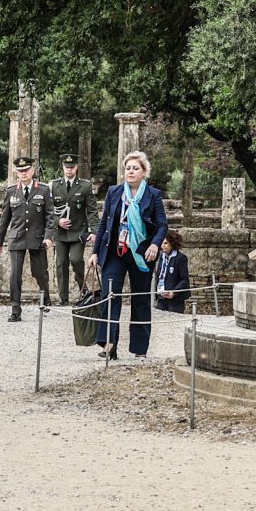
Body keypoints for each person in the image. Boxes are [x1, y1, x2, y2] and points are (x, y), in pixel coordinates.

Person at [91, 150, 166, 361]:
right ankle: (109, 344)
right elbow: (104, 224)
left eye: (135, 168)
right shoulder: (114, 192)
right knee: (110, 294)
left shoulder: (153, 195)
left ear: (144, 172)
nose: (131, 171)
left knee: (140, 299)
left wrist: (154, 245)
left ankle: (140, 349)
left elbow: (162, 225)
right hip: (115, 251)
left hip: (141, 253)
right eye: (128, 168)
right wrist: (95, 252)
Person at [0, 158, 50, 321]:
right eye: (20, 171)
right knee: (15, 275)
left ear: (32, 171)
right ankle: (15, 309)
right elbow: (4, 219)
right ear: (16, 173)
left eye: (26, 170)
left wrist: (48, 237)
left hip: (37, 238)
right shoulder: (11, 191)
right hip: (17, 238)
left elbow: (50, 216)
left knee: (39, 273)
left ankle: (45, 296)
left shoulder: (43, 190)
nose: (24, 173)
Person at [44, 154, 96, 313]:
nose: (69, 170)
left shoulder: (85, 186)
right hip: (60, 233)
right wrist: (58, 221)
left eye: (72, 167)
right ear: (62, 167)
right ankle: (63, 297)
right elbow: (48, 210)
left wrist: (93, 231)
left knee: (76, 260)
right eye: (66, 167)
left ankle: (83, 288)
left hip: (78, 232)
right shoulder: (53, 186)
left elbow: (92, 211)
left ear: (76, 168)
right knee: (60, 264)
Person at [152, 224, 192, 315]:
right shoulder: (161, 256)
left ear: (172, 243)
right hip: (161, 297)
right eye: (162, 243)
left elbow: (184, 280)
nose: (163, 246)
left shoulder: (180, 258)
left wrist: (174, 292)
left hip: (175, 299)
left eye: (166, 243)